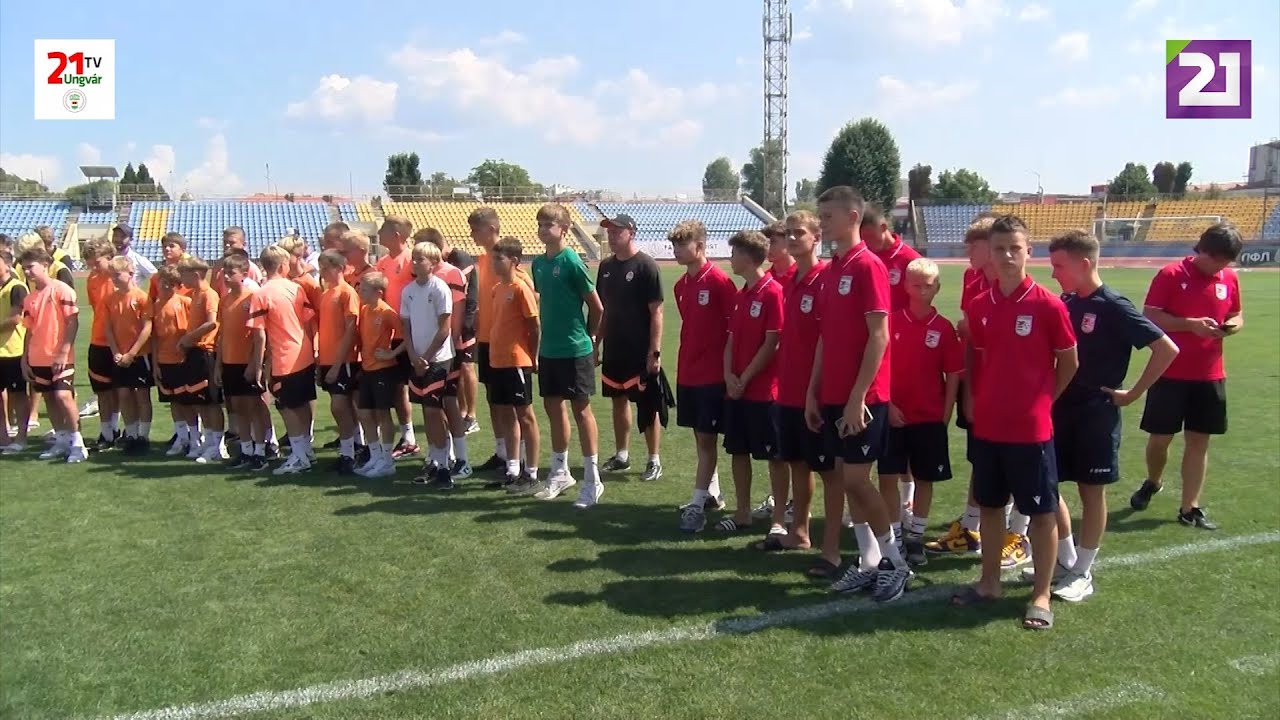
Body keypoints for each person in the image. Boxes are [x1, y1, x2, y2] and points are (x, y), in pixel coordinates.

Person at [952, 214, 1078, 631]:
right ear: (989, 253)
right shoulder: (980, 304)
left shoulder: (1048, 304)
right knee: (990, 507)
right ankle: (989, 582)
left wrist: (1044, 399)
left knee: (1041, 513)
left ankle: (1041, 594)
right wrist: (972, 398)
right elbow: (975, 354)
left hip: (1030, 429)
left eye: (1014, 248)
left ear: (1028, 252)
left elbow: (1069, 361)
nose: (1006, 256)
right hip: (989, 426)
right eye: (999, 248)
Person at [1045, 229, 1178, 601]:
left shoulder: (1113, 305)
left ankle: (1083, 572)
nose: (1053, 273)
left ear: (1084, 264)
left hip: (1096, 413)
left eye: (1059, 266)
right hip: (1059, 408)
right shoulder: (1067, 301)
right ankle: (1066, 560)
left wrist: (1133, 393)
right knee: (1048, 484)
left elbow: (1166, 349)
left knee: (1091, 492)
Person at [804, 187, 909, 603]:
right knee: (848, 482)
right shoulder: (832, 270)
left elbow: (879, 335)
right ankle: (869, 562)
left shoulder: (868, 266)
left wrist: (857, 397)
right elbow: (824, 338)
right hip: (833, 394)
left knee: (856, 480)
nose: (822, 223)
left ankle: (895, 562)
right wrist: (813, 393)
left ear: (852, 217)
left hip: (863, 397)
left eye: (828, 216)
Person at [1131, 222, 1244, 530]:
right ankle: (1153, 481)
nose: (1221, 267)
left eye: (1226, 261)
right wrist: (1190, 324)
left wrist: (1232, 326)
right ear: (1202, 250)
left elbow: (1236, 313)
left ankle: (1189, 507)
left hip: (1210, 374)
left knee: (1198, 441)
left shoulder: (1229, 278)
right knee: (1160, 440)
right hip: (1170, 373)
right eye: (1217, 259)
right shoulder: (1170, 274)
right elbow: (1150, 316)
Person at [882, 258, 963, 567]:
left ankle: (916, 535)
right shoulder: (891, 322)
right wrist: (887, 405)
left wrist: (946, 412)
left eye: (928, 285)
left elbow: (952, 374)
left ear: (937, 288)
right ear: (905, 286)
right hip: (893, 415)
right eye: (916, 284)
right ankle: (894, 536)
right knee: (888, 476)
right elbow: (878, 368)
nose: (922, 290)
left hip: (929, 417)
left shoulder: (943, 327)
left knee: (925, 478)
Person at [926, 214, 998, 557]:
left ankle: (1010, 530)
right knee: (980, 455)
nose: (967, 250)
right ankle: (973, 524)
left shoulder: (1004, 285)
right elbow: (970, 331)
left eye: (974, 245)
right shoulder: (973, 277)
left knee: (1002, 458)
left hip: (998, 383)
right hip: (975, 377)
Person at [528, 204, 604, 506]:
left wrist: (592, 338)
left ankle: (593, 479)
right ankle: (560, 472)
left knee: (581, 411)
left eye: (549, 224)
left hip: (575, 349)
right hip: (549, 350)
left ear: (564, 229)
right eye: (540, 224)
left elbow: (597, 307)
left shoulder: (571, 260)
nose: (543, 229)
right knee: (552, 408)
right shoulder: (538, 264)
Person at [717, 230, 785, 536]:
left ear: (747, 256)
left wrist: (743, 378)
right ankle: (742, 513)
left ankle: (778, 519)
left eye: (734, 253)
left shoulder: (773, 292)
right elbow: (730, 340)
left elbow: (773, 343)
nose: (730, 259)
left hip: (764, 391)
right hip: (736, 391)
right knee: (738, 451)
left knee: (775, 457)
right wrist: (729, 375)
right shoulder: (741, 294)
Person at [769, 211, 829, 561]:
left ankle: (834, 544)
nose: (792, 238)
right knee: (796, 463)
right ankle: (801, 532)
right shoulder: (790, 280)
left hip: (815, 391)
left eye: (799, 233)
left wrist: (814, 390)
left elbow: (826, 339)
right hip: (788, 388)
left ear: (816, 238)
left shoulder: (824, 279)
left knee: (829, 470)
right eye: (788, 233)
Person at [671, 220, 736, 533]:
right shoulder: (680, 286)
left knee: (708, 438)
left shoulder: (720, 282)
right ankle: (712, 493)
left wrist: (729, 371)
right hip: (688, 372)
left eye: (682, 244)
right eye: (674, 245)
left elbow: (733, 329)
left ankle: (697, 505)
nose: (676, 250)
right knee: (700, 436)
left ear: (700, 246)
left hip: (712, 374)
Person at [595, 212, 665, 482]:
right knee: (618, 400)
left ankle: (653, 459)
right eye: (609, 232)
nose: (611, 236)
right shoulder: (606, 267)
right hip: (614, 348)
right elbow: (604, 311)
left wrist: (654, 352)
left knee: (647, 404)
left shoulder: (646, 266)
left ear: (631, 233)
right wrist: (596, 344)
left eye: (617, 231)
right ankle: (622, 455)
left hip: (640, 349)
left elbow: (657, 312)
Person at [469, 208, 534, 474]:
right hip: (487, 339)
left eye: (476, 229)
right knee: (493, 399)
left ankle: (519, 458)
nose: (472, 234)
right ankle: (502, 452)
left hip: (509, 346)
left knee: (513, 406)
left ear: (491, 229)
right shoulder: (484, 260)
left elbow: (530, 300)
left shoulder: (509, 262)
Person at [249, 245, 317, 475]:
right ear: (281, 266)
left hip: (284, 358)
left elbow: (259, 335)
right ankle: (305, 451)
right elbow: (308, 321)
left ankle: (299, 457)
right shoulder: (295, 288)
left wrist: (258, 366)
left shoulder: (261, 294)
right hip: (304, 353)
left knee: (287, 407)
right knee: (303, 403)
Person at [17, 247, 87, 462]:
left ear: (45, 265)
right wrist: (25, 359)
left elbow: (72, 322)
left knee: (63, 397)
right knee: (49, 398)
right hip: (38, 357)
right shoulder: (30, 298)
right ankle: (61, 439)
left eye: (31, 267)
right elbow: (29, 330)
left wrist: (64, 351)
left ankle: (78, 443)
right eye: (24, 268)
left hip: (60, 357)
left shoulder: (61, 290)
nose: (27, 272)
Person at [415, 228, 473, 480]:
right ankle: (439, 456)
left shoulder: (451, 273)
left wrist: (451, 345)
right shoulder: (419, 278)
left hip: (446, 351)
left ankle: (462, 460)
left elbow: (456, 315)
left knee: (448, 403)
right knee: (431, 405)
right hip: (425, 352)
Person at [485, 237, 541, 492]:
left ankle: (532, 473)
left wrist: (533, 356)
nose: (494, 263)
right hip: (497, 360)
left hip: (516, 360)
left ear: (514, 261)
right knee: (506, 414)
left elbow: (534, 325)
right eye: (493, 258)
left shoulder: (520, 288)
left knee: (525, 416)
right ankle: (513, 469)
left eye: (499, 259)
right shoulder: (498, 288)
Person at [401, 242, 455, 489]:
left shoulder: (440, 288)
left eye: (420, 259)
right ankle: (434, 459)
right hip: (417, 359)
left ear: (432, 263)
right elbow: (406, 327)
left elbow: (445, 328)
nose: (414, 262)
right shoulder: (408, 291)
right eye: (413, 258)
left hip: (438, 359)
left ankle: (444, 466)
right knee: (426, 409)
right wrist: (413, 355)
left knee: (434, 410)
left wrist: (427, 356)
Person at [215, 253, 272, 471]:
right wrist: (219, 364)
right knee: (237, 408)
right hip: (229, 362)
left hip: (246, 362)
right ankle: (246, 451)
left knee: (253, 407)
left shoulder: (253, 297)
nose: (226, 277)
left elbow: (259, 335)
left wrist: (254, 364)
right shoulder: (225, 300)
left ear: (244, 274)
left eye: (231, 273)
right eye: (224, 273)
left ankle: (260, 451)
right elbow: (222, 335)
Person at [315, 249, 365, 474]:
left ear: (340, 268)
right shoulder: (327, 293)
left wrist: (338, 363)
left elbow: (350, 329)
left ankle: (349, 453)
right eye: (321, 267)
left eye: (327, 267)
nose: (323, 272)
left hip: (343, 360)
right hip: (328, 358)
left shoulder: (347, 293)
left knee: (340, 406)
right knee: (343, 407)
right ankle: (354, 447)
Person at [375, 216, 420, 460]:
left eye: (383, 230)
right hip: (390, 335)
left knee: (422, 392)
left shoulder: (412, 260)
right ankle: (408, 438)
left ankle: (441, 448)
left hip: (412, 334)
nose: (379, 233)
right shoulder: (382, 262)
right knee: (397, 389)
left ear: (397, 235)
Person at [177, 256, 227, 463]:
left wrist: (188, 338)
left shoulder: (209, 294)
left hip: (206, 352)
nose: (181, 279)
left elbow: (212, 323)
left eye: (184, 275)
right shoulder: (195, 294)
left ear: (196, 275)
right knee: (200, 401)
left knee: (210, 402)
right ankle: (209, 441)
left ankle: (218, 446)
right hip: (195, 352)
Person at [353, 271, 402, 479]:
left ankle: (387, 460)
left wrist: (391, 353)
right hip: (367, 369)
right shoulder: (365, 310)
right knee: (365, 413)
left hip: (383, 369)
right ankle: (375, 456)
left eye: (364, 290)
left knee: (383, 414)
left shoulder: (387, 312)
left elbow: (405, 337)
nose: (360, 293)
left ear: (378, 292)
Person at [103, 256, 155, 455]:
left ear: (131, 274)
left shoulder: (141, 297)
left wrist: (132, 353)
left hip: (139, 355)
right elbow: (108, 328)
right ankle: (131, 434)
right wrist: (116, 352)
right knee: (124, 394)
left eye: (117, 275)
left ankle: (143, 436)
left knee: (142, 395)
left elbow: (147, 328)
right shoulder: (110, 299)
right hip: (120, 355)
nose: (113, 279)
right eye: (111, 275)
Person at [151, 266, 203, 457]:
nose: (165, 286)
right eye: (163, 282)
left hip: (182, 359)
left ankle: (196, 439)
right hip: (164, 360)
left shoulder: (185, 302)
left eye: (171, 284)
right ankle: (181, 438)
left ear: (178, 286)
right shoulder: (155, 305)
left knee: (187, 402)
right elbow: (154, 338)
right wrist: (155, 364)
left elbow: (193, 330)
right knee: (173, 401)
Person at [82, 237, 122, 449]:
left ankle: (122, 430)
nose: (93, 267)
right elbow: (96, 308)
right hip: (98, 340)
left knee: (122, 391)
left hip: (120, 342)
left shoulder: (120, 278)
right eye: (90, 263)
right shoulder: (92, 279)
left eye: (97, 262)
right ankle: (107, 433)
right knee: (103, 391)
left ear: (109, 257)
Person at [0, 246, 30, 453]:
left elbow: (15, 319)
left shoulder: (17, 287)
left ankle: (21, 436)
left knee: (18, 394)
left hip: (14, 350)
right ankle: (3, 435)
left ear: (8, 264)